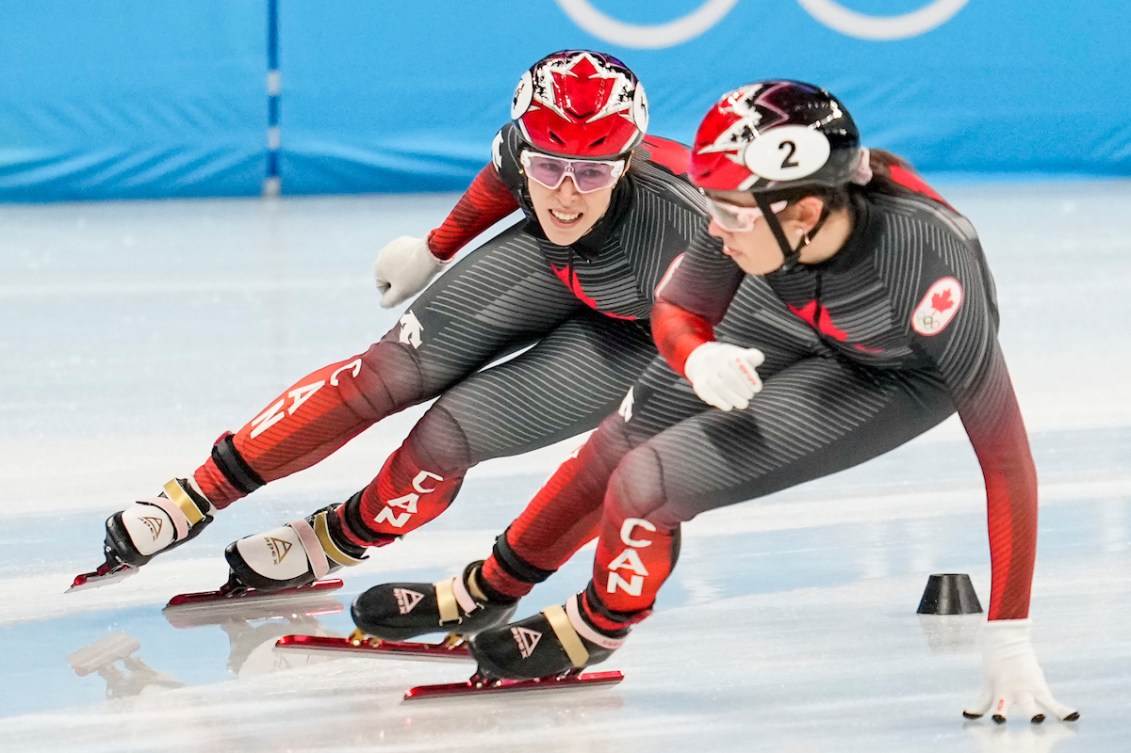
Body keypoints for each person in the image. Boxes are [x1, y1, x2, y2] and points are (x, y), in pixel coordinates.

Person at [351, 80, 1078, 724]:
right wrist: (696, 351)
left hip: (891, 372)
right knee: (613, 444)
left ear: (799, 212)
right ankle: (490, 586)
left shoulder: (927, 273)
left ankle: (596, 622)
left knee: (648, 480)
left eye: (729, 210)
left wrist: (1007, 631)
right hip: (785, 298)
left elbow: (1007, 461)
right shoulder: (753, 222)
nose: (712, 220)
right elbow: (676, 307)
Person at [81, 50, 805, 596]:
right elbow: (501, 180)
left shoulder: (681, 226)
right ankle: (196, 494)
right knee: (383, 374)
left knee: (448, 432)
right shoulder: (525, 157)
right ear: (524, 145)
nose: (564, 193)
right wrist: (434, 247)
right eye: (549, 166)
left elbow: (758, 324)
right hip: (559, 267)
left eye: (592, 173)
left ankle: (338, 539)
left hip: (644, 330)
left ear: (629, 160)